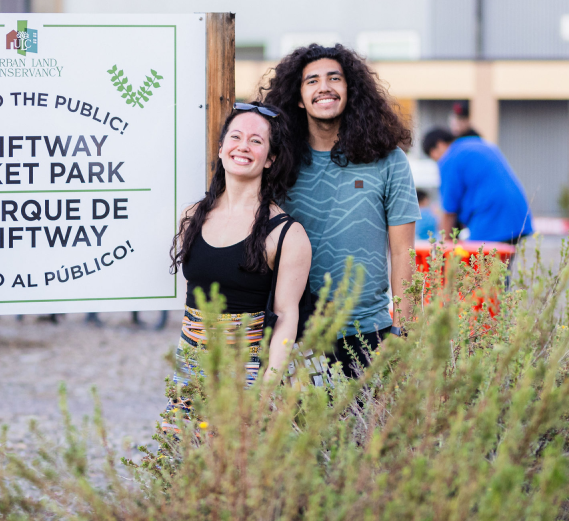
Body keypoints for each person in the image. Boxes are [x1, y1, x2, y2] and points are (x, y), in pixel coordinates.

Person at [260, 43, 420, 379]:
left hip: (368, 331)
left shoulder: (388, 160)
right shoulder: (278, 163)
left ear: (350, 90)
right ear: (299, 98)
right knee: (300, 431)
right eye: (312, 81)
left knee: (369, 432)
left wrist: (403, 331)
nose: (325, 87)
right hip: (295, 332)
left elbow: (403, 251)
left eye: (335, 78)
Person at [164, 102, 312, 425]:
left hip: (247, 374)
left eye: (256, 141)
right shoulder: (191, 217)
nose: (243, 146)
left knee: (236, 471)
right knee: (183, 468)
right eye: (235, 137)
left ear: (270, 159)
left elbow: (288, 315)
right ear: (220, 149)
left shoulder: (287, 233)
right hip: (189, 370)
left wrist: (267, 389)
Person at [422, 127, 535, 244]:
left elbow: (449, 210)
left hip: (492, 217)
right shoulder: (478, 144)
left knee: (478, 259)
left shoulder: (449, 158)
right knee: (501, 260)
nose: (436, 161)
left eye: (432, 156)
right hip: (518, 214)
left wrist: (444, 249)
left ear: (439, 145)